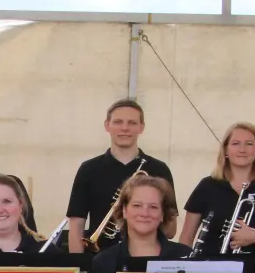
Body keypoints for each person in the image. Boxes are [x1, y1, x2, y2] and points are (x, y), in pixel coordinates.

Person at [65, 99, 174, 253]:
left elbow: (170, 230)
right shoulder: (89, 169)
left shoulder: (159, 169)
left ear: (141, 127)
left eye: (132, 123)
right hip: (99, 259)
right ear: (107, 125)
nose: (124, 128)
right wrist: (79, 266)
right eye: (118, 122)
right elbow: (76, 225)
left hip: (148, 258)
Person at [178, 122, 255, 268]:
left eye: (249, 144)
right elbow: (187, 237)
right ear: (225, 149)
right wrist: (184, 269)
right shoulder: (207, 186)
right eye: (235, 143)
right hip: (211, 270)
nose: (242, 149)